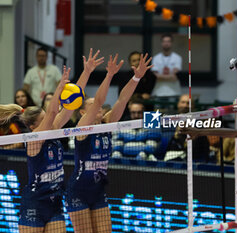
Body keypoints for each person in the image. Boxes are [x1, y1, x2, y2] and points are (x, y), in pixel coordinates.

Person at [0, 48, 103, 232]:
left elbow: (72, 103)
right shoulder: (34, 141)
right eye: (44, 119)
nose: (49, 119)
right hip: (34, 205)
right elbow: (54, 111)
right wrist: (59, 87)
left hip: (55, 203)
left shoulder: (54, 129)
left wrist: (86, 72)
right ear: (33, 128)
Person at [66, 53, 153, 233]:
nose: (98, 108)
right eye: (90, 106)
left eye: (97, 107)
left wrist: (136, 77)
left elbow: (122, 100)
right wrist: (109, 75)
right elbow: (99, 101)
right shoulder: (81, 127)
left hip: (98, 191)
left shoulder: (107, 123)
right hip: (78, 192)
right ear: (82, 112)